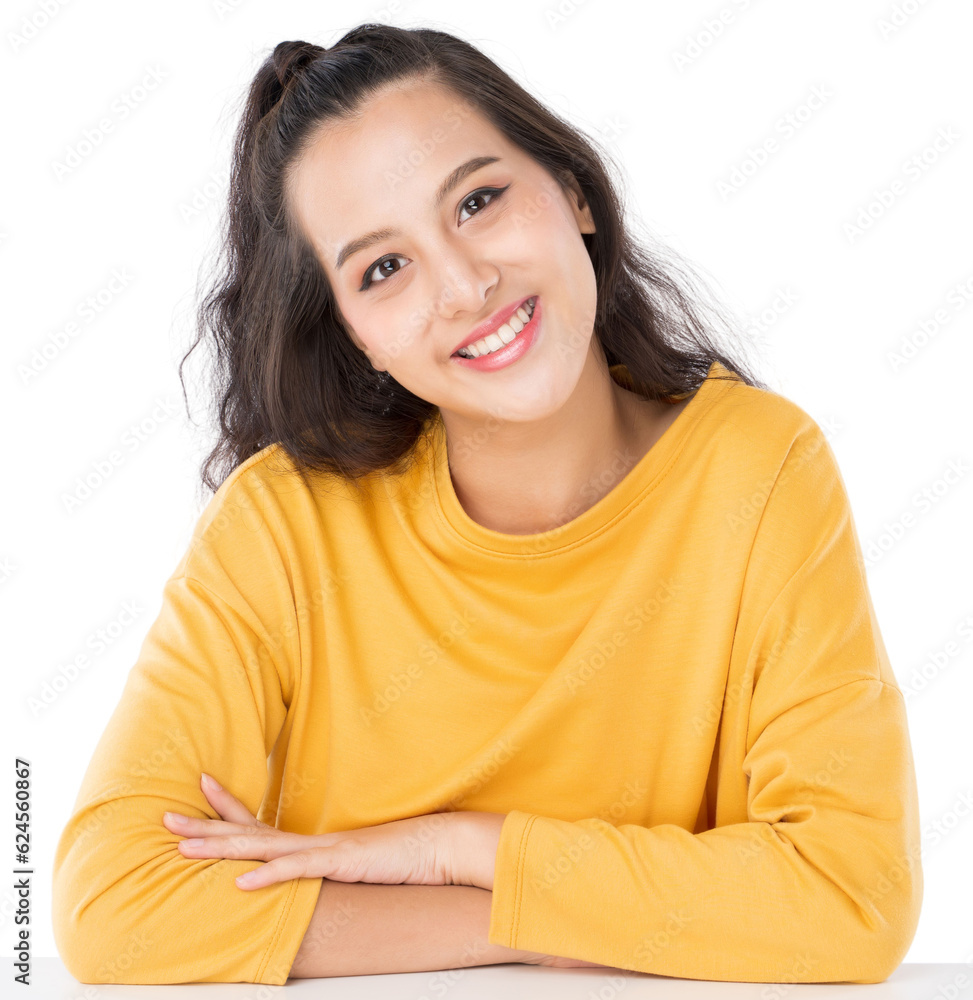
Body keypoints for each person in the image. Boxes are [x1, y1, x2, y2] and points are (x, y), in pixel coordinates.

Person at [51, 23, 922, 986]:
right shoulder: (282, 526)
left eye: (477, 200)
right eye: (383, 268)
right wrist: (524, 920)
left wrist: (460, 851)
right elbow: (115, 912)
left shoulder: (757, 471)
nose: (465, 286)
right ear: (354, 337)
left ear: (574, 190)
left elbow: (850, 896)